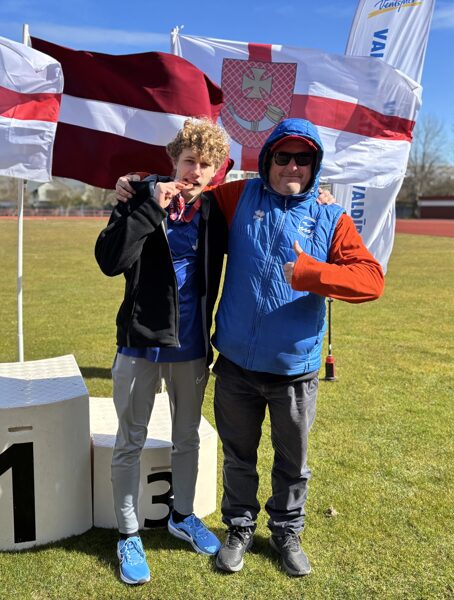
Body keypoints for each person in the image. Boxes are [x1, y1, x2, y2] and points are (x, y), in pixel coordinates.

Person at [115, 117, 384, 578]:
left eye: (303, 158)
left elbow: (371, 280)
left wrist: (311, 273)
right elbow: (186, 183)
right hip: (235, 365)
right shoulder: (237, 197)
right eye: (283, 156)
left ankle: (286, 532)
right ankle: (239, 528)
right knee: (238, 457)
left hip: (294, 367)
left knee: (292, 463)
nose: (292, 166)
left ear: (315, 164)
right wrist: (136, 183)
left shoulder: (331, 215)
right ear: (268, 160)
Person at [94, 119, 230, 585]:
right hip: (139, 343)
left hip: (191, 347)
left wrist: (320, 198)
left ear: (215, 171)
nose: (195, 171)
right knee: (129, 440)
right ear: (173, 160)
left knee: (187, 438)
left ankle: (183, 516)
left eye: (205, 165)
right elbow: (109, 261)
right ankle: (128, 533)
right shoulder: (138, 197)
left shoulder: (215, 212)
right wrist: (149, 204)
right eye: (189, 161)